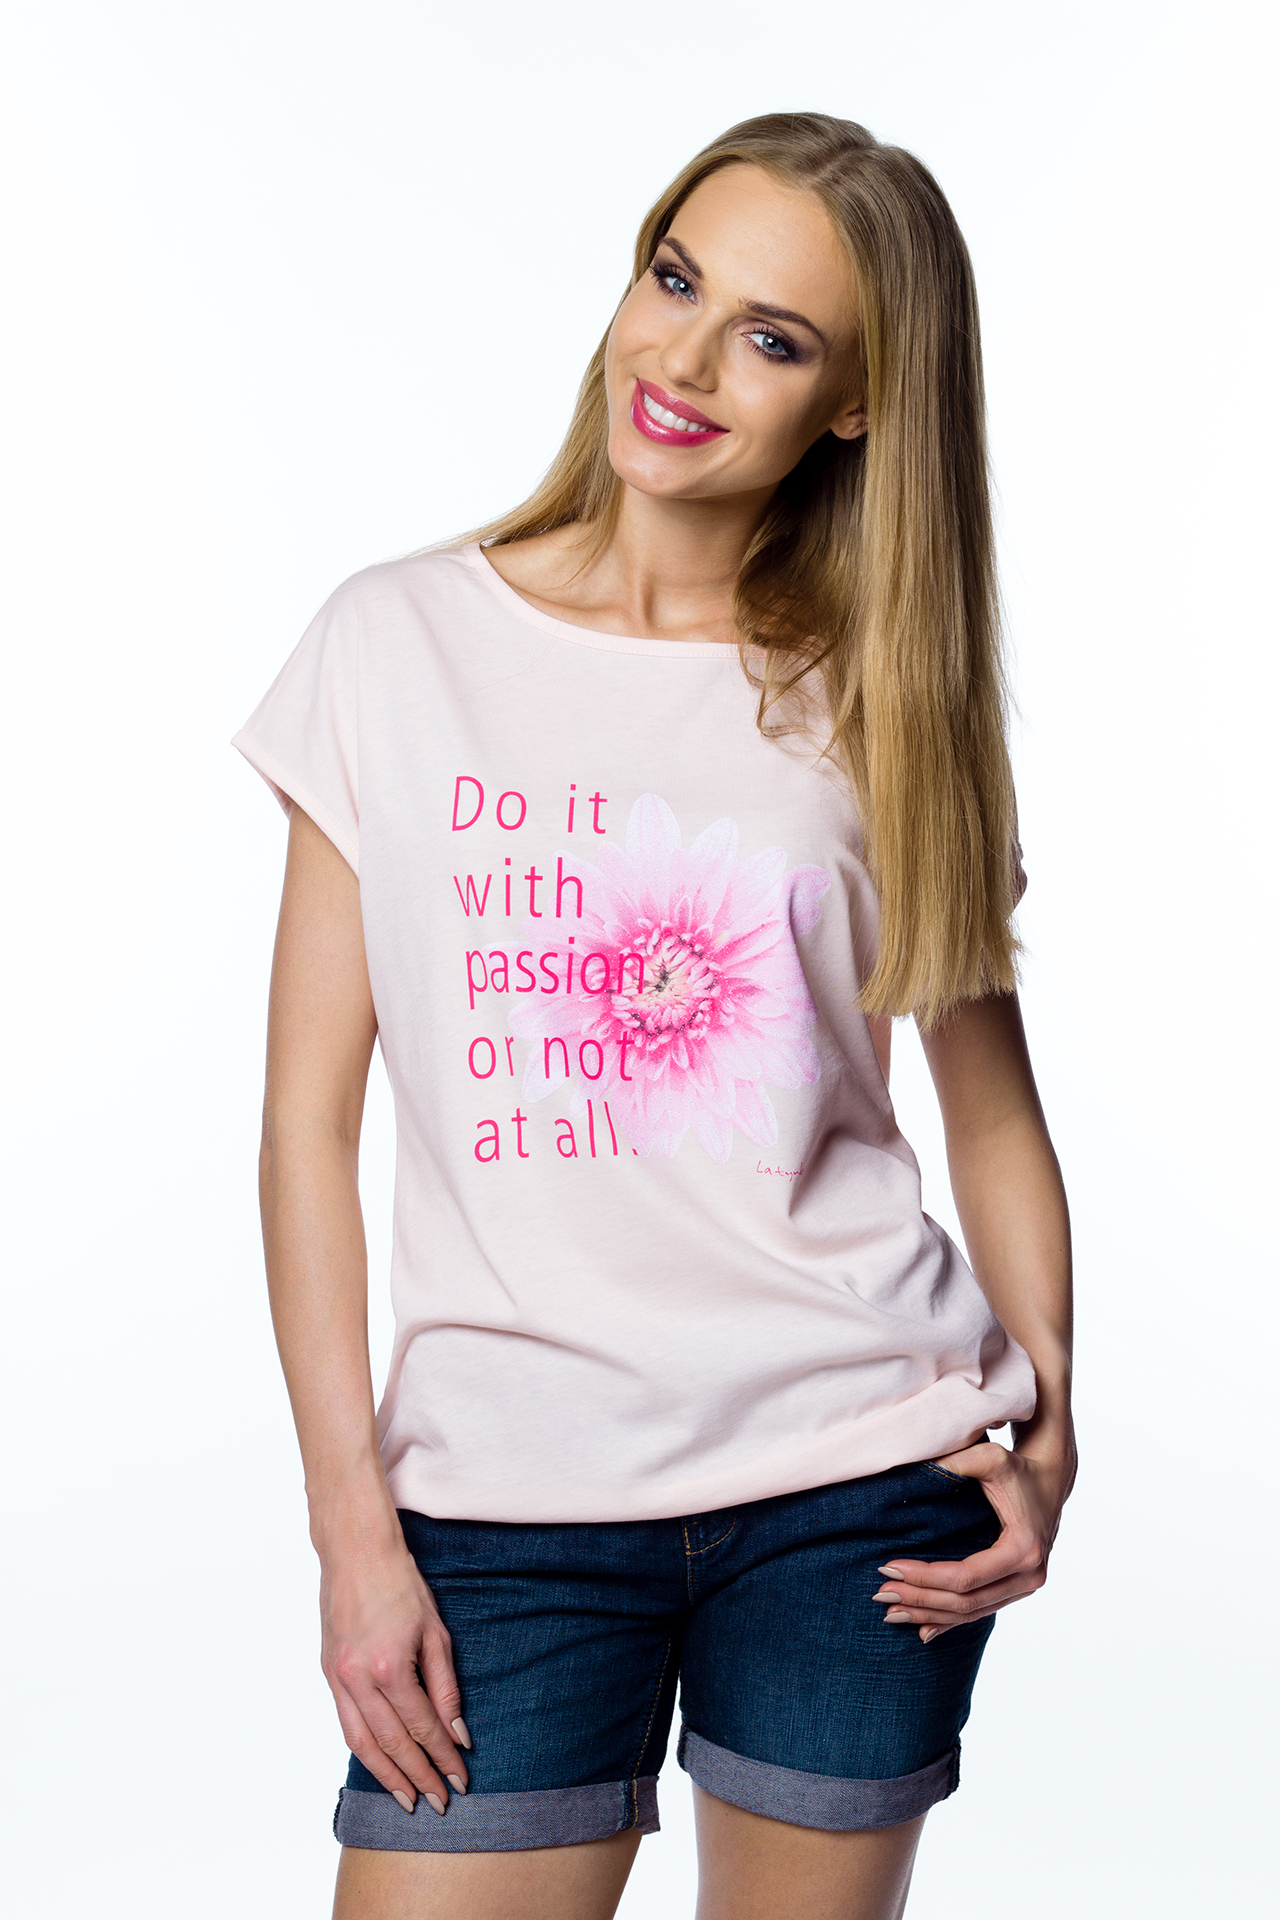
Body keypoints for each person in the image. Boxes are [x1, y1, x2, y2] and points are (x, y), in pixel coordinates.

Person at [234, 111, 1075, 1920]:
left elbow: (989, 1104)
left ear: (855, 404)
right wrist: (351, 1532)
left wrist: (1052, 1421)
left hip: (859, 1490)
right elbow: (308, 1123)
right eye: (674, 280)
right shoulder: (393, 644)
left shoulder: (882, 699)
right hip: (503, 1505)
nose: (683, 362)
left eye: (770, 337)